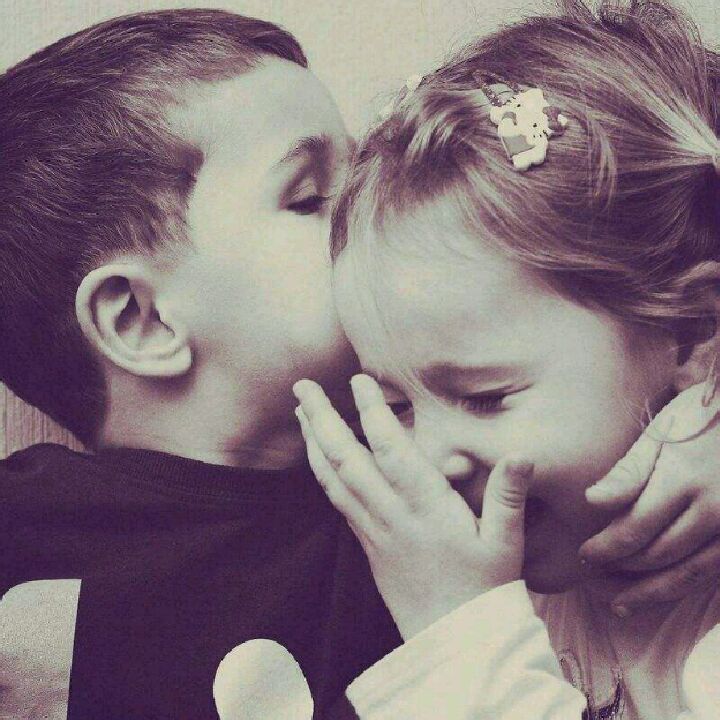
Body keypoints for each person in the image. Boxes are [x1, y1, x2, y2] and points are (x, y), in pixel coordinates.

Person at [293, 0, 720, 717]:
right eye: (396, 408)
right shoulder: (508, 581)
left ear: (691, 333)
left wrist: (458, 640)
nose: (427, 461)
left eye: (485, 397)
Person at [0, 10, 401, 719]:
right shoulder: (18, 531)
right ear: (142, 320)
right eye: (311, 197)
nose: (381, 207)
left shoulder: (421, 488)